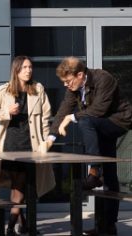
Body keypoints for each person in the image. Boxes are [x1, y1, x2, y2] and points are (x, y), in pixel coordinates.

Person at [50, 57, 132, 236]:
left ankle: (94, 172)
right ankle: (108, 225)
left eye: (68, 81)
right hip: (100, 126)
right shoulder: (74, 88)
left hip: (118, 121)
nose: (66, 85)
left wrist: (70, 118)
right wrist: (50, 137)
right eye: (63, 82)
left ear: (80, 74)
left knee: (84, 120)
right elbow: (64, 109)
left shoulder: (104, 78)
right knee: (110, 173)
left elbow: (99, 110)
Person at [0, 56, 56, 236]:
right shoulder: (4, 90)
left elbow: (46, 118)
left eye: (30, 67)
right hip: (10, 147)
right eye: (24, 67)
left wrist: (46, 141)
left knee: (22, 188)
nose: (28, 70)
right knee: (19, 188)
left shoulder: (38, 90)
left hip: (31, 147)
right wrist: (6, 112)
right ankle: (15, 228)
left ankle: (15, 227)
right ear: (16, 70)